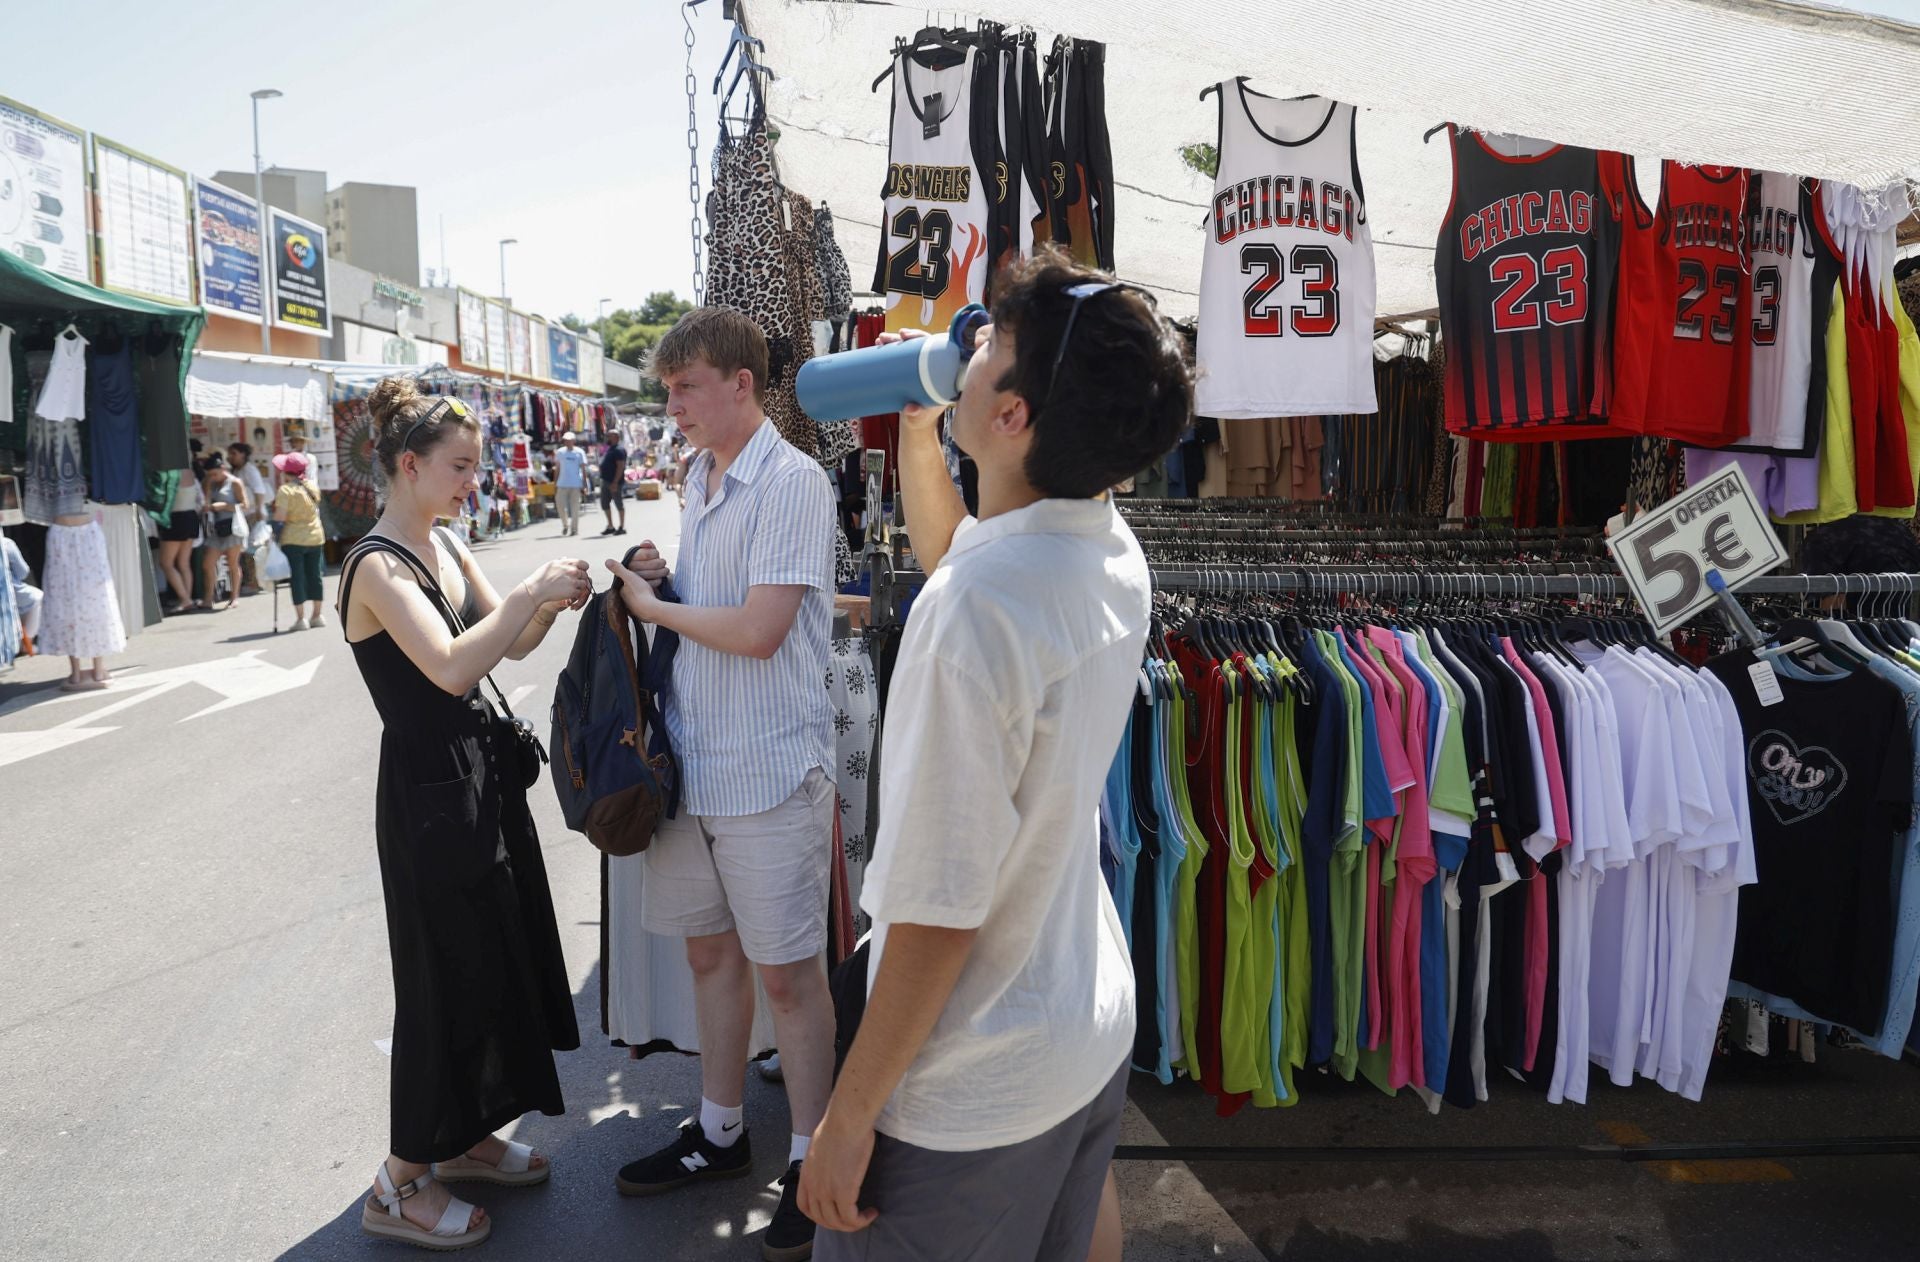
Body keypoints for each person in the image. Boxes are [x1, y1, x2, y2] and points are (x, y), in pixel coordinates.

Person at [797, 250, 1193, 1261]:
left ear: (1014, 413)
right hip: (1080, 1019)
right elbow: (962, 559)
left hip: (970, 1089)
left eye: (992, 344)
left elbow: (938, 911)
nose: (966, 345)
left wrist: (847, 1117)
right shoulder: (1101, 545)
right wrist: (923, 435)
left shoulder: (977, 617)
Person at [604, 307, 837, 1262]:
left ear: (742, 383)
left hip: (768, 767)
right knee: (711, 958)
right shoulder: (700, 477)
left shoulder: (793, 481)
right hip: (696, 766)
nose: (673, 406)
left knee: (790, 976)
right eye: (666, 391)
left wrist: (654, 608)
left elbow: (759, 630)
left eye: (685, 388)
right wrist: (661, 576)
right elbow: (718, 608)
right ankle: (721, 1130)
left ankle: (816, 1162)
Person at [339, 376, 591, 1252]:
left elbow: (509, 644)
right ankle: (399, 1180)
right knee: (441, 979)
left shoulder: (445, 541)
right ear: (408, 466)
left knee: (491, 959)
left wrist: (548, 600)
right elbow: (451, 666)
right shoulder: (375, 565)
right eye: (459, 467)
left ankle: (469, 1138)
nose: (472, 482)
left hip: (478, 778)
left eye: (475, 466)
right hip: (427, 794)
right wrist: (529, 594)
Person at [271, 450, 328, 629]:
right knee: (315, 575)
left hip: (293, 538)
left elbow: (280, 518)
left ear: (286, 471)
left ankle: (301, 619)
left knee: (297, 577)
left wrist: (273, 535)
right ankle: (317, 615)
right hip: (315, 536)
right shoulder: (312, 487)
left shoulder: (286, 490)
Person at [198, 451, 250, 611]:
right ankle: (208, 598)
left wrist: (225, 506)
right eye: (210, 475)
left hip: (232, 526)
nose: (213, 477)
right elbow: (205, 501)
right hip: (215, 527)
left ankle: (234, 597)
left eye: (215, 474)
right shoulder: (210, 482)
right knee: (207, 563)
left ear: (223, 469)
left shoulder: (235, 482)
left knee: (232, 563)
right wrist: (208, 486)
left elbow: (245, 505)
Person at [156, 465, 202, 613]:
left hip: (175, 518)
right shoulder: (190, 472)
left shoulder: (168, 474)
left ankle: (185, 599)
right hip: (191, 517)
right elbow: (200, 499)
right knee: (184, 563)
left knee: (166, 563)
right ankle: (187, 599)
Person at [229, 441, 271, 596]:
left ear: (243, 454)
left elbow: (259, 490)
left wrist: (259, 509)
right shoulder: (237, 470)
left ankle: (254, 583)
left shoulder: (249, 470)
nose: (231, 457)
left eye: (234, 454)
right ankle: (251, 581)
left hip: (253, 514)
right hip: (244, 515)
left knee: (252, 550)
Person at [3, 528, 41, 654]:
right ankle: (26, 642)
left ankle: (20, 641)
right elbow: (23, 572)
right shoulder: (6, 544)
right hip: (10, 593)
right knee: (38, 597)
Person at [552, 431, 588, 536]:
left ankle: (574, 529)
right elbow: (557, 469)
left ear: (573, 441)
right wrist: (555, 483)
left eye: (569, 440)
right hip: (562, 483)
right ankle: (565, 525)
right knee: (560, 506)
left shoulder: (579, 452)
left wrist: (585, 484)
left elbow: (583, 469)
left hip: (575, 484)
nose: (567, 442)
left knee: (575, 507)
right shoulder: (560, 452)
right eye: (565, 440)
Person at [598, 433, 629, 536]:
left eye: (609, 436)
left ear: (616, 437)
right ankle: (610, 526)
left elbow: (620, 466)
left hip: (614, 482)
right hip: (606, 481)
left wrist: (615, 482)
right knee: (604, 504)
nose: (607, 438)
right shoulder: (610, 449)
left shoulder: (619, 450)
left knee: (618, 503)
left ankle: (622, 527)